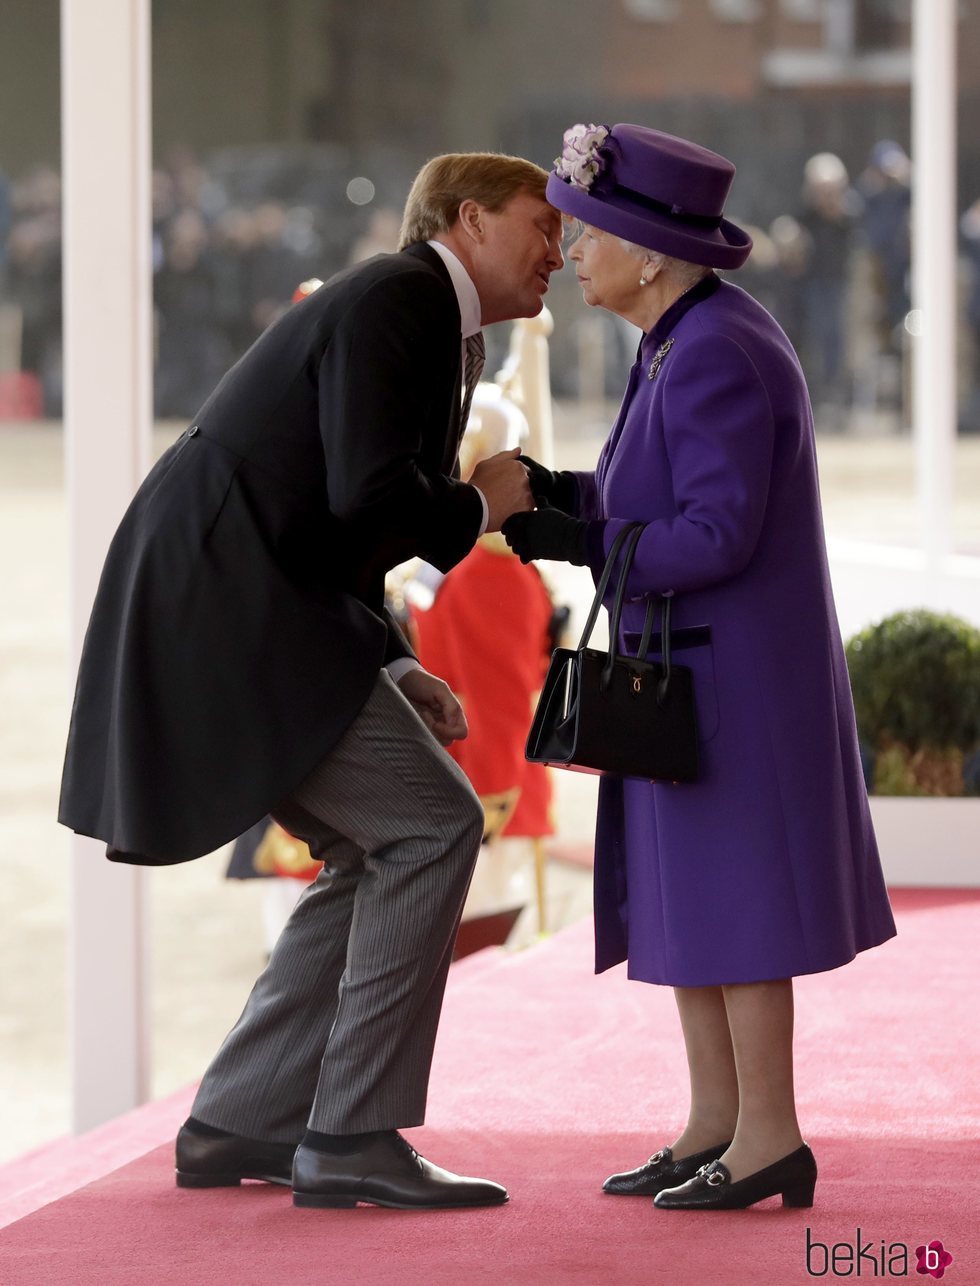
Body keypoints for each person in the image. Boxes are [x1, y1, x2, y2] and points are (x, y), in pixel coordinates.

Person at [58, 149, 564, 1210]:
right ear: (468, 219)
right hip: (233, 602)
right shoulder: (404, 296)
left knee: (380, 838)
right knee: (430, 826)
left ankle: (243, 1116)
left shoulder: (420, 305)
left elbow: (335, 506)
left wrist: (390, 657)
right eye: (539, 224)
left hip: (242, 595)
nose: (555, 250)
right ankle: (352, 1135)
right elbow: (372, 494)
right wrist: (482, 505)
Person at [504, 123, 896, 1211]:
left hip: (728, 684)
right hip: (695, 673)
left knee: (735, 913)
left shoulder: (716, 345)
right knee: (691, 910)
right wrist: (558, 493)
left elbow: (715, 532)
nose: (572, 249)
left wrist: (582, 540)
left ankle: (767, 1137)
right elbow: (650, 496)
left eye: (589, 233)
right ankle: (713, 1126)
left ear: (649, 254)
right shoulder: (683, 336)